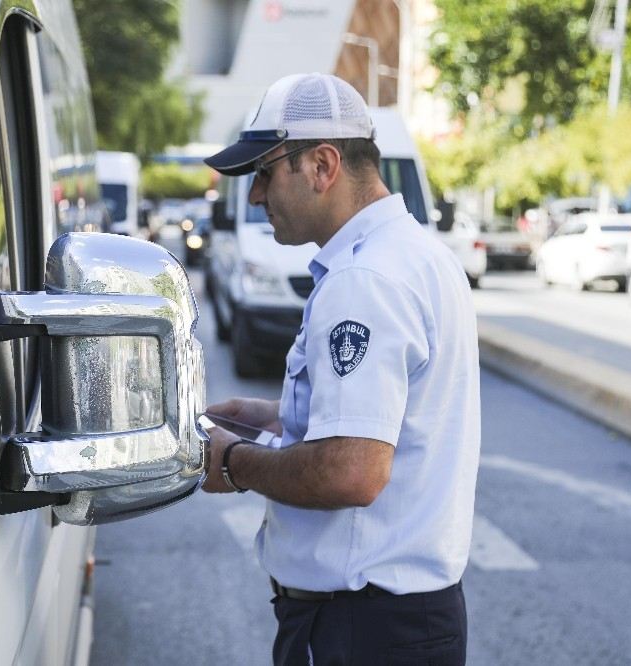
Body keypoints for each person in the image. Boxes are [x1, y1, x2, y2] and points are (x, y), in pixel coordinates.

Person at [202, 73, 480, 665]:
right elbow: (391, 420)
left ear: (322, 165)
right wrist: (270, 416)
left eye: (265, 174)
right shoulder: (418, 254)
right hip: (397, 621)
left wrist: (229, 461)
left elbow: (351, 471)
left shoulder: (363, 281)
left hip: (361, 628)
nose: (255, 197)